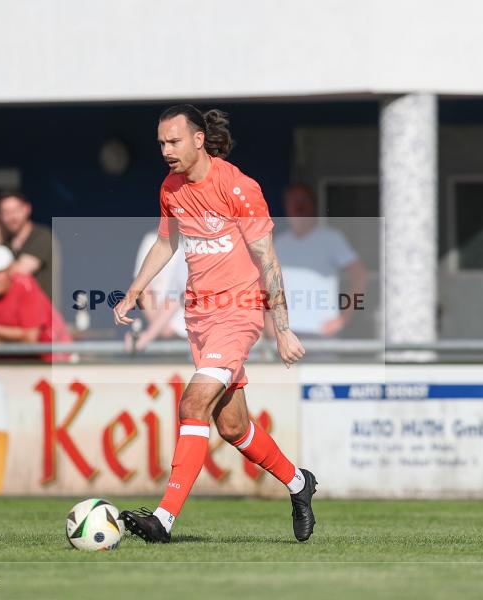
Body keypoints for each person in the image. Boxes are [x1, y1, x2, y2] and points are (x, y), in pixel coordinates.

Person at [114, 105, 316, 544]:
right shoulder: (170, 187)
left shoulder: (239, 188)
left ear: (199, 139)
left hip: (238, 315)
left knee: (193, 403)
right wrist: (133, 291)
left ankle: (163, 519)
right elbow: (166, 242)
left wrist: (281, 327)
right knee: (232, 427)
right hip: (199, 319)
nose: (167, 151)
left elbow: (268, 260)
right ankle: (299, 483)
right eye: (162, 143)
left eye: (174, 141)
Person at [272, 184, 369, 338]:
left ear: (313, 205)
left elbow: (360, 275)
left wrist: (344, 318)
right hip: (285, 334)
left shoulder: (331, 239)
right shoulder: (278, 243)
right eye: (293, 201)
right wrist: (268, 319)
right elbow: (267, 284)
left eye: (303, 200)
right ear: (286, 206)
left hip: (322, 333)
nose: (298, 205)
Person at [0, 245, 70, 360]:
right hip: (11, 360)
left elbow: (30, 338)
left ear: (10, 270)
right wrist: (1, 349)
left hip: (49, 357)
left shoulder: (26, 286)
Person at [126, 228, 187, 351]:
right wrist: (158, 330)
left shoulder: (196, 244)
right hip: (161, 335)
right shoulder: (152, 240)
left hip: (194, 337)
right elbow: (143, 288)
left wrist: (150, 334)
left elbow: (178, 295)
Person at [0, 191, 58, 303]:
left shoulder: (42, 235)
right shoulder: (5, 243)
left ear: (27, 209)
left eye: (16, 210)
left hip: (43, 313)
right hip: (17, 313)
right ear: (0, 216)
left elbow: (21, 270)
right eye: (6, 212)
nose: (12, 217)